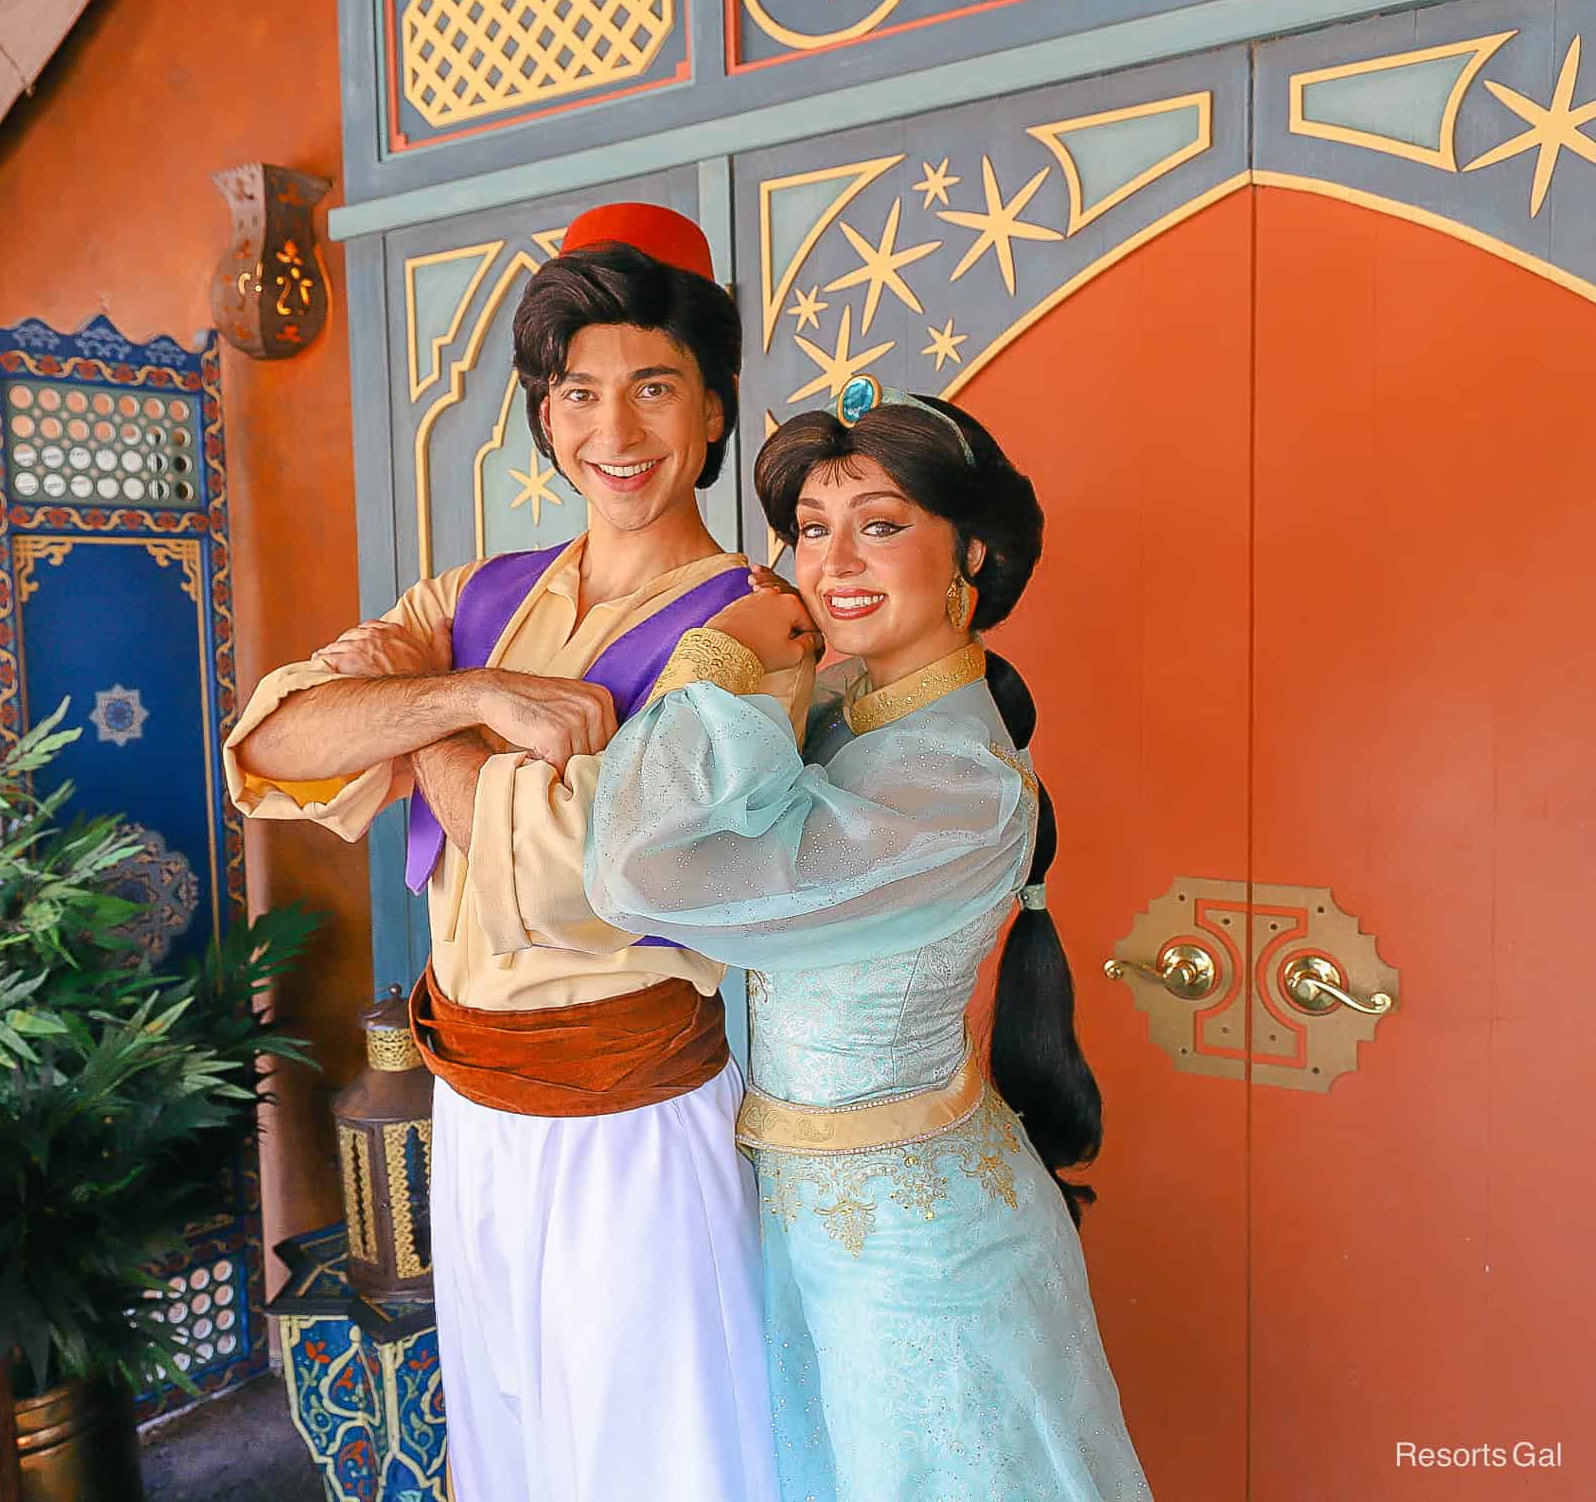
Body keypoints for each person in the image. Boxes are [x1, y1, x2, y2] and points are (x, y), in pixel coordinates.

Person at [223, 204, 816, 1502]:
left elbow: (586, 872)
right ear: (545, 414)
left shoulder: (760, 626)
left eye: (654, 387)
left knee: (658, 1460)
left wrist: (435, 730)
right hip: (477, 1115)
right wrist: (478, 691)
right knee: (513, 1447)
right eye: (578, 392)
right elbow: (277, 737)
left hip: (640, 1125)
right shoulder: (479, 601)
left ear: (714, 408)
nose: (615, 432)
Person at [584, 378, 1152, 1501]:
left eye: (880, 525)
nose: (832, 561)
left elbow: (639, 872)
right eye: (810, 529)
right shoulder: (845, 708)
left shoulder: (960, 788)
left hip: (918, 1253)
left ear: (971, 558)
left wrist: (718, 655)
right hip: (800, 1221)